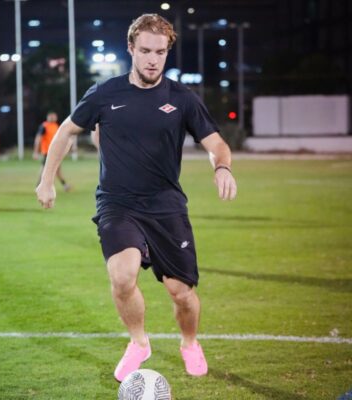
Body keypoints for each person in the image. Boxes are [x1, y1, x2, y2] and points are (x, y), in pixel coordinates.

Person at [36, 14, 237, 381]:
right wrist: (47, 180)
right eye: (144, 50)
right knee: (123, 275)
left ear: (167, 53)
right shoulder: (105, 93)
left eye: (160, 52)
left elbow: (216, 144)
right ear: (131, 49)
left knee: (181, 293)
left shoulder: (181, 98)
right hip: (117, 203)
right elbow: (66, 132)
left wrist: (221, 167)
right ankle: (139, 342)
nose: (152, 59)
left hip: (165, 205)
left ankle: (190, 343)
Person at [33, 111, 71, 191]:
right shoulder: (44, 126)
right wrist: (36, 151)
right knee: (44, 168)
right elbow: (38, 138)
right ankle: (38, 186)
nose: (53, 117)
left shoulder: (56, 126)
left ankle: (64, 184)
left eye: (54, 116)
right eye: (51, 116)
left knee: (57, 169)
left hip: (55, 151)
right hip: (47, 151)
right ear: (48, 117)